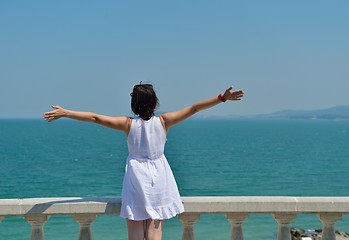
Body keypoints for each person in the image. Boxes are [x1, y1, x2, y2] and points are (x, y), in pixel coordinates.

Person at [43, 83, 244, 240]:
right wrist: (222, 98)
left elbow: (95, 118)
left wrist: (66, 112)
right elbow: (193, 108)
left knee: (135, 231)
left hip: (136, 179)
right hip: (159, 179)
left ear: (134, 104)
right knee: (155, 231)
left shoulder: (128, 124)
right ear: (155, 102)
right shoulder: (164, 122)